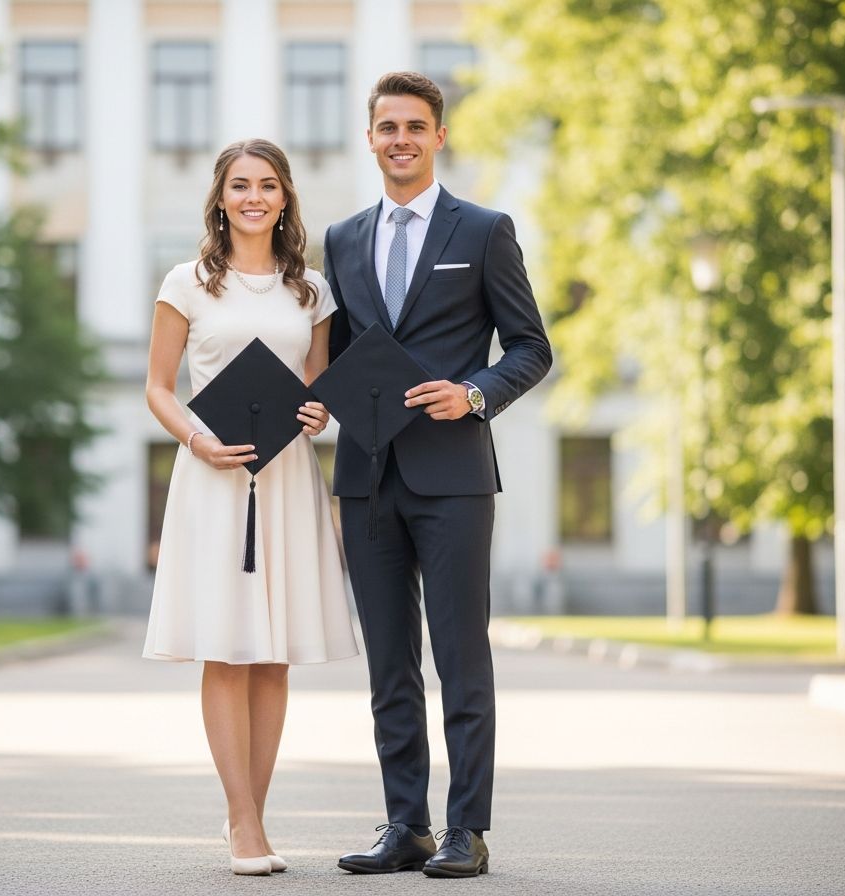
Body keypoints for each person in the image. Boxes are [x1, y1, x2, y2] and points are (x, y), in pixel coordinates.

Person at [324, 72, 552, 878]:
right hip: (365, 474)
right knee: (389, 663)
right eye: (387, 127)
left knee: (460, 657)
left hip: (454, 477)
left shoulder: (484, 230)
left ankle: (467, 830)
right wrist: (314, 403)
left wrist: (475, 393)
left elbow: (531, 347)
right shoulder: (342, 238)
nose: (401, 140)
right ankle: (405, 824)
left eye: (415, 127)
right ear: (371, 137)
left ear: (439, 137)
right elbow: (345, 351)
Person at [143, 138, 359, 876]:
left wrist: (318, 414)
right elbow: (159, 388)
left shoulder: (313, 293)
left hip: (288, 480)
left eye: (268, 184)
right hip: (213, 479)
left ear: (286, 198)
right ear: (221, 197)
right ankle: (241, 822)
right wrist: (199, 440)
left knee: (272, 657)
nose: (254, 197)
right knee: (227, 648)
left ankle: (253, 818)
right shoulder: (187, 283)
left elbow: (319, 385)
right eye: (241, 185)